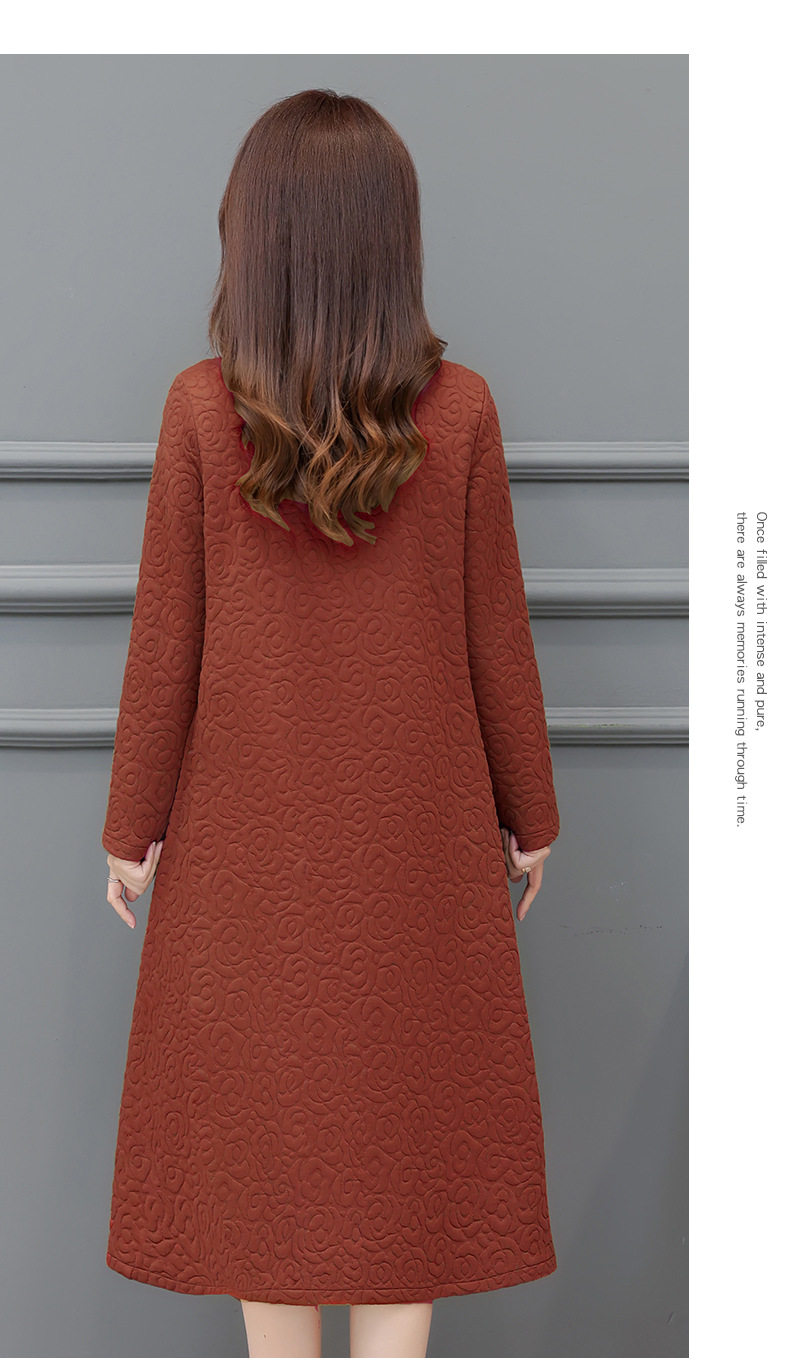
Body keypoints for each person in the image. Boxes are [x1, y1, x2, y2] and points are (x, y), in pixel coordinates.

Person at [101, 88, 560, 1359]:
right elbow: (497, 635)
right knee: (409, 1169)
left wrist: (130, 831)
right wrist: (531, 815)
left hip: (246, 858)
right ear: (391, 242)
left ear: (253, 238)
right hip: (417, 854)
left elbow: (165, 646)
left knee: (268, 1174)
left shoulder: (202, 409)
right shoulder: (459, 411)